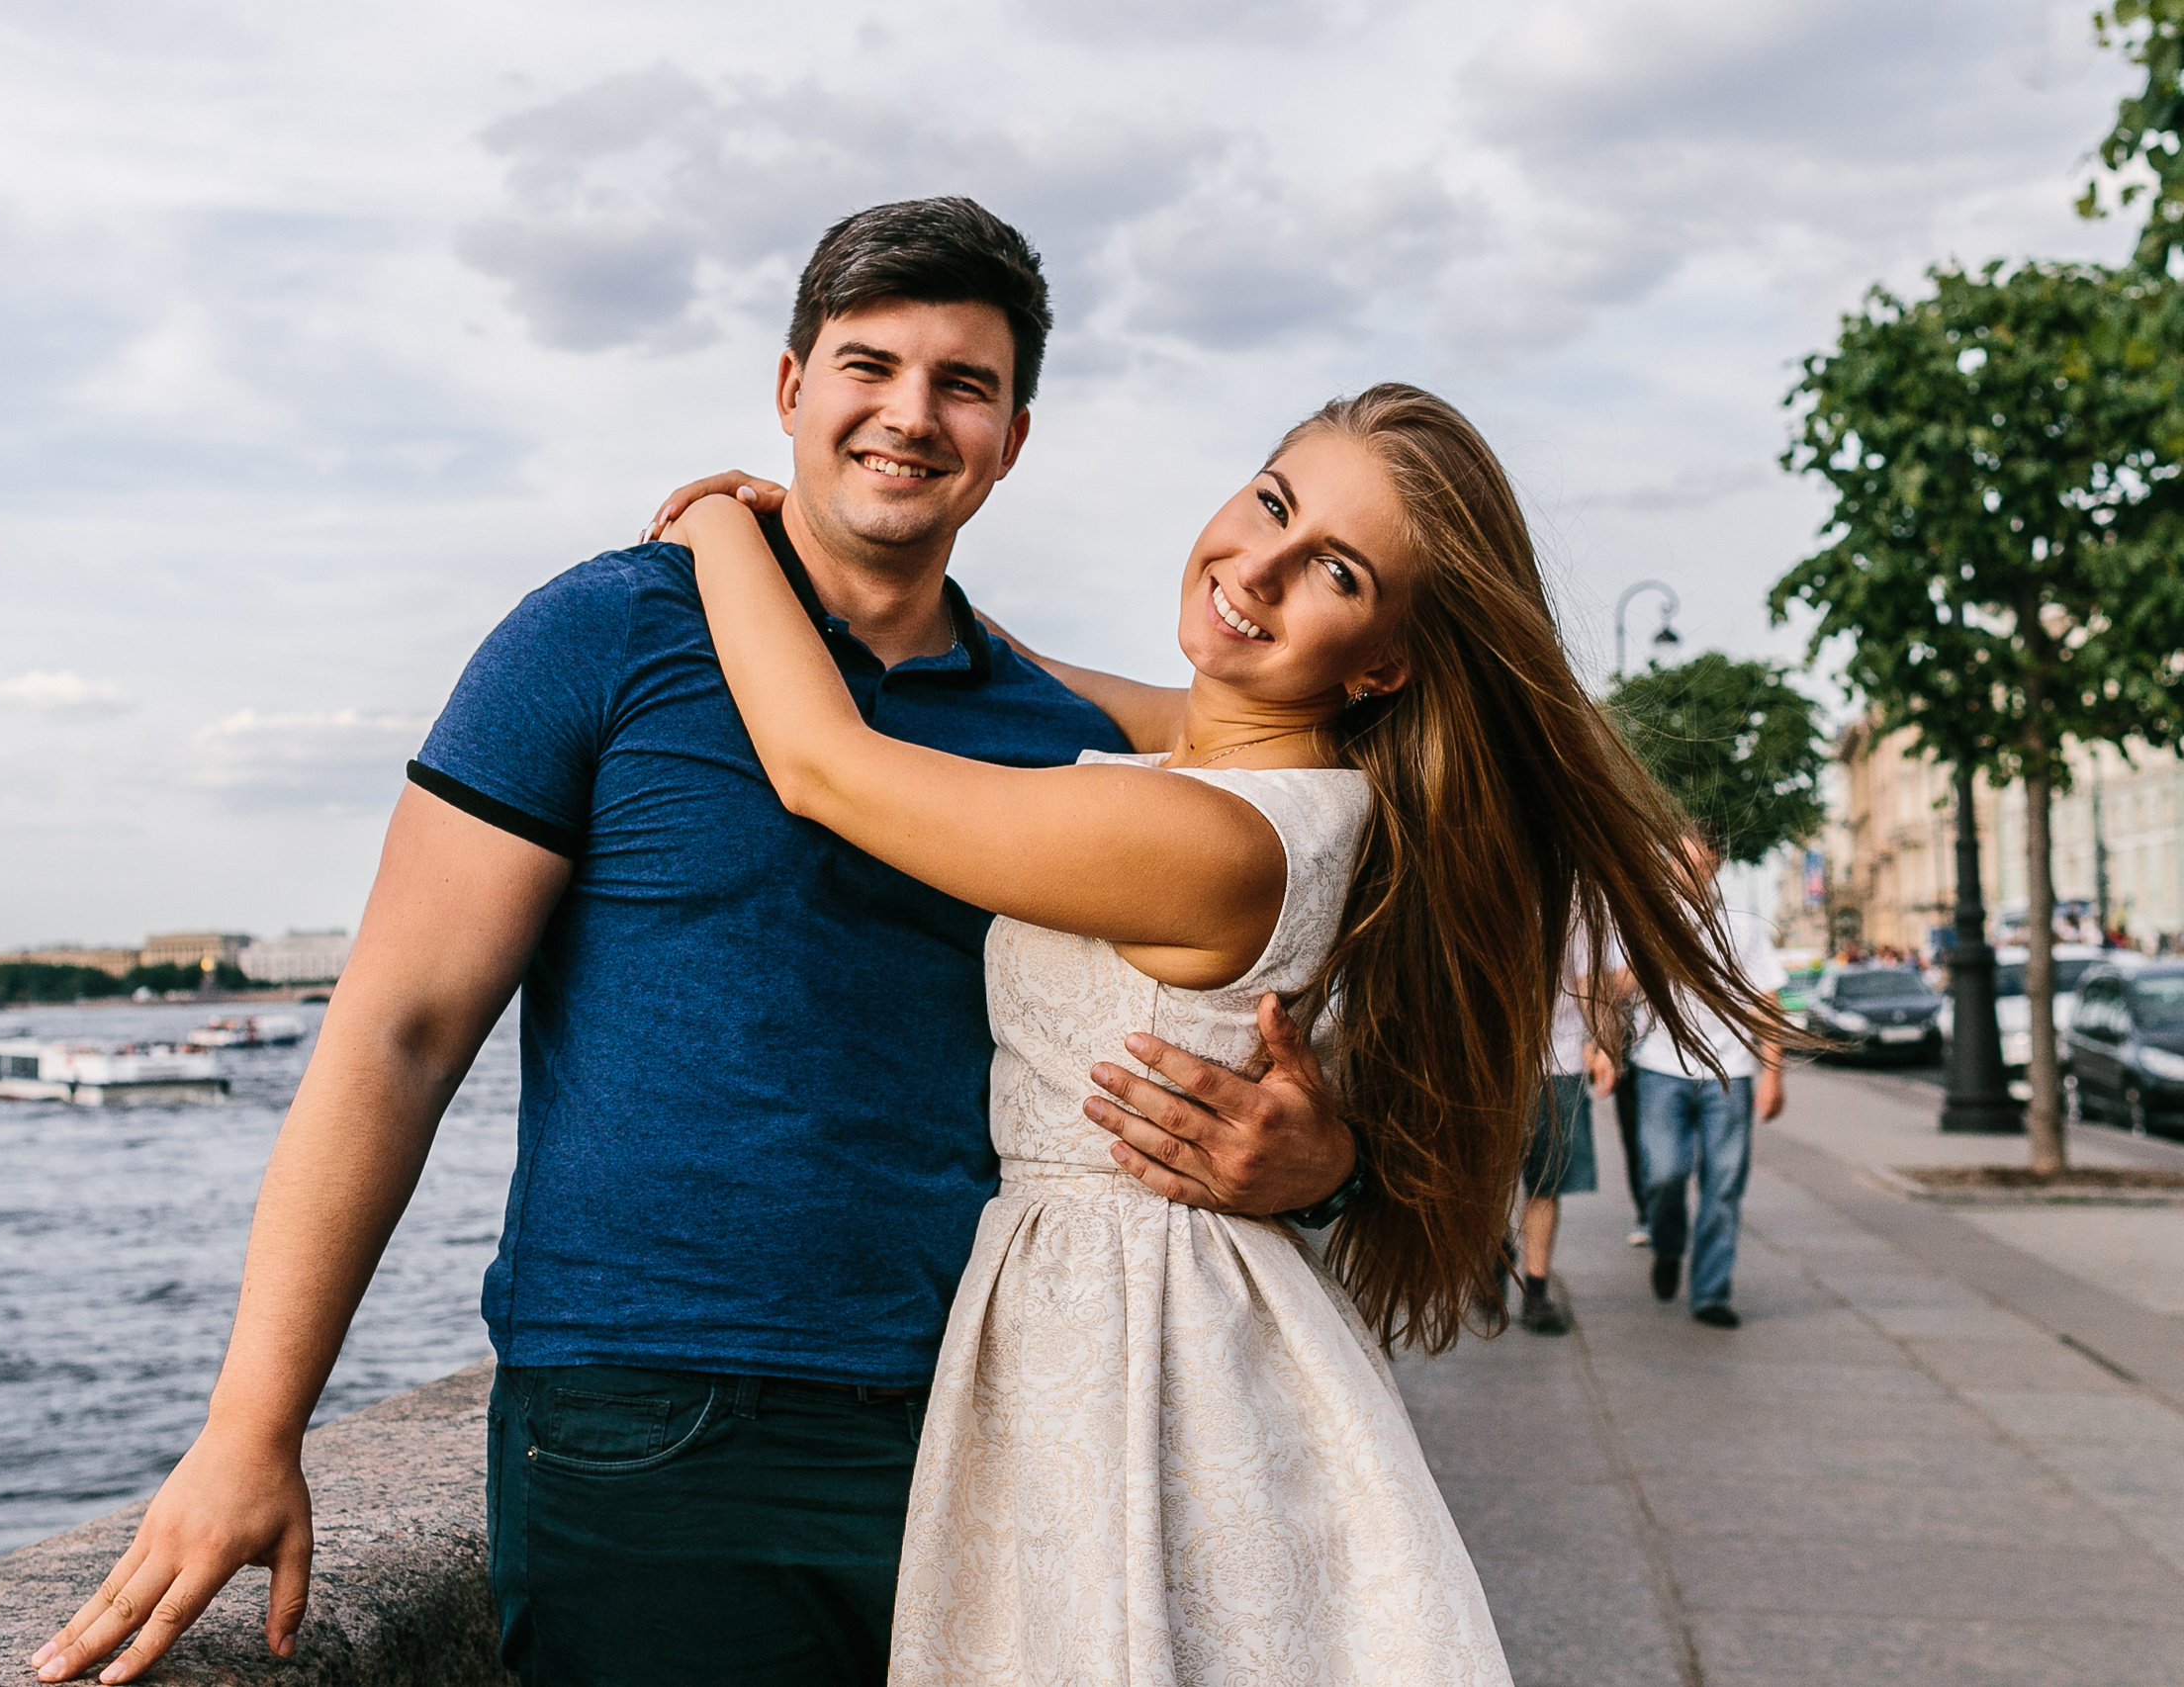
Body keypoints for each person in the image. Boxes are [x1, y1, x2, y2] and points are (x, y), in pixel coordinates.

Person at [30, 199, 1360, 1687]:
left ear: (1012, 438)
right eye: (871, 364)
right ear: (791, 390)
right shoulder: (600, 636)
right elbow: (397, 1034)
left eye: (963, 384)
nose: (910, 414)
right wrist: (250, 1424)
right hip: (652, 1421)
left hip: (992, 1425)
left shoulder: (1056, 740)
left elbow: (1281, 841)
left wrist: (1326, 1160)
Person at [662, 383, 1783, 1683]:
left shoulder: (1210, 839)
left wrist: (717, 522)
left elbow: (826, 768)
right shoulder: (1258, 775)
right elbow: (1042, 680)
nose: (1258, 565)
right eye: (1272, 502)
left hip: (1125, 1342)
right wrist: (835, 558)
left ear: (1384, 662)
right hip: (1154, 1316)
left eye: (1336, 572)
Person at [1631, 825, 1788, 1330]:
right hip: (1660, 1069)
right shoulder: (1646, 918)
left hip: (1731, 1074)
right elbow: (1617, 990)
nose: (1685, 875)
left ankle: (1711, 1294)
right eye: (1677, 864)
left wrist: (1772, 1073)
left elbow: (1767, 1000)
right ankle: (1668, 1245)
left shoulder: (1741, 924)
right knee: (1664, 1175)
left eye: (1696, 866)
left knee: (1723, 1187)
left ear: (1715, 866)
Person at [1514, 932, 1620, 1334]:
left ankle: (1535, 1291)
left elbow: (1590, 978)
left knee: (1545, 1182)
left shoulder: (1573, 886)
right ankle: (1489, 1263)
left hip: (1556, 1061)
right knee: (1490, 1183)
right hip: (1490, 1063)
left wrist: (1605, 1042)